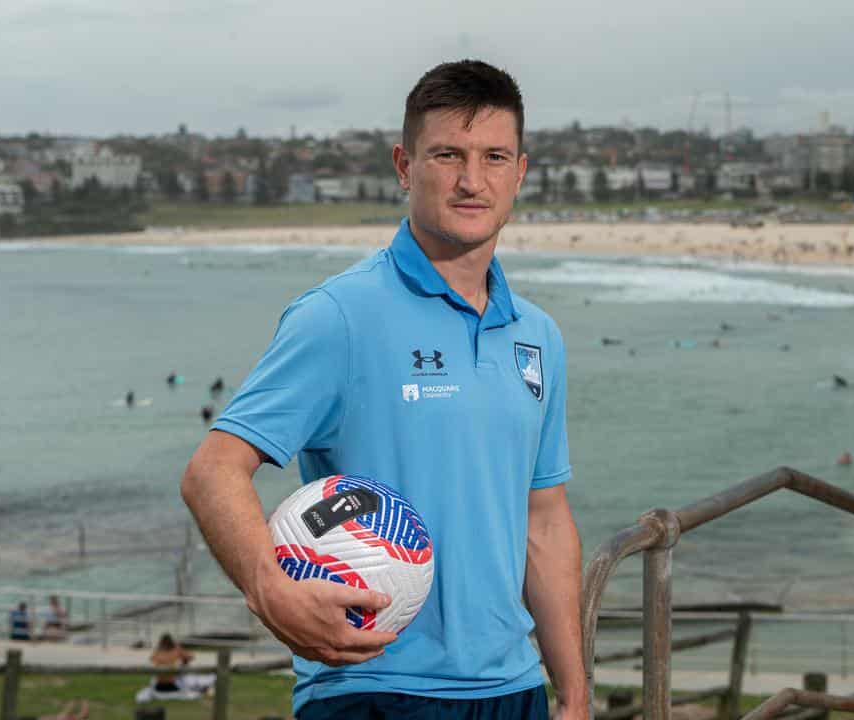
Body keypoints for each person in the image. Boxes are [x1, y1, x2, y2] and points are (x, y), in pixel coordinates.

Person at [181, 60, 581, 720]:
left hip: (514, 690)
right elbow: (212, 471)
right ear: (404, 164)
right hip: (371, 689)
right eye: (447, 154)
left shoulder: (537, 335)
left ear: (521, 172)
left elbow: (545, 522)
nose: (471, 180)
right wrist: (269, 590)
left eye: (494, 157)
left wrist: (574, 691)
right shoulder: (340, 315)